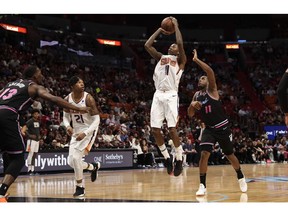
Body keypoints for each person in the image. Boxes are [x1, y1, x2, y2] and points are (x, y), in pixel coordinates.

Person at [0, 65, 89, 202]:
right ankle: (1, 193)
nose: (42, 76)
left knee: (8, 153)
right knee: (18, 158)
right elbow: (53, 99)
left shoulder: (11, 84)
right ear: (35, 76)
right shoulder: (33, 86)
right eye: (40, 73)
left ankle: (3, 190)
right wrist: (77, 108)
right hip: (8, 115)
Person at [187, 49, 247, 196]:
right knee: (204, 154)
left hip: (222, 127)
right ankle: (202, 185)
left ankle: (240, 176)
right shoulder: (196, 96)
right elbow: (190, 114)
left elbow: (209, 71)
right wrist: (191, 106)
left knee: (229, 155)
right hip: (209, 129)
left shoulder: (212, 90)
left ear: (208, 81)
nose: (201, 80)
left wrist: (196, 60)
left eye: (203, 78)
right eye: (199, 79)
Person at [144, 16, 187, 176]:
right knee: (155, 130)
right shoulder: (161, 57)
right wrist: (160, 30)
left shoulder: (181, 60)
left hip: (170, 95)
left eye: (174, 45)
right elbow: (147, 45)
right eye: (171, 44)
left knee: (172, 129)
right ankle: (167, 158)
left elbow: (181, 44)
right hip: (158, 95)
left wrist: (175, 26)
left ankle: (179, 158)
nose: (173, 45)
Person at [62, 76, 101, 198]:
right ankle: (92, 166)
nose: (82, 84)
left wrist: (86, 133)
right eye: (79, 83)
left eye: (82, 82)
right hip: (76, 131)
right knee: (71, 161)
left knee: (76, 157)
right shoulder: (67, 99)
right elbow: (65, 117)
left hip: (89, 130)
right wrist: (68, 127)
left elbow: (97, 120)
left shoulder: (88, 98)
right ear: (72, 86)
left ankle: (80, 188)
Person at [24, 109, 41, 175]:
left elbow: (38, 130)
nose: (37, 115)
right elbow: (24, 128)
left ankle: (33, 169)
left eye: (38, 113)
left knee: (34, 154)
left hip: (37, 140)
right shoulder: (30, 121)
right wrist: (29, 135)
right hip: (31, 140)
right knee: (30, 154)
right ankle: (29, 170)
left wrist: (39, 135)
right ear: (33, 114)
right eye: (35, 114)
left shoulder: (39, 122)